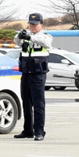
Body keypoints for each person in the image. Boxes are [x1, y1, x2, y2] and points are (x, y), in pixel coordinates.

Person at [13, 13, 52, 141]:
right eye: (30, 24)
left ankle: (39, 131)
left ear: (41, 24)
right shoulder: (26, 36)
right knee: (26, 103)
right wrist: (20, 35)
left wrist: (29, 37)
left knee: (38, 104)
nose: (32, 26)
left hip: (38, 74)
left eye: (35, 24)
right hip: (26, 73)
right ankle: (28, 130)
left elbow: (44, 42)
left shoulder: (46, 37)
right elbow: (16, 42)